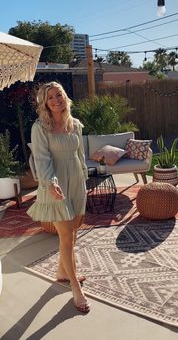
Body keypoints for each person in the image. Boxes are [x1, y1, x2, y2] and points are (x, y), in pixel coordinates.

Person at [27, 81, 90, 313]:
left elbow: (80, 156)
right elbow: (42, 160)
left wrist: (84, 182)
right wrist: (51, 184)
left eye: (59, 95)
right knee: (65, 237)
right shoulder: (40, 127)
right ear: (44, 103)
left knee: (73, 232)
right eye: (50, 97)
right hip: (55, 185)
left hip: (75, 183)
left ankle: (62, 272)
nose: (56, 100)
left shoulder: (74, 124)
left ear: (66, 97)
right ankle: (75, 287)